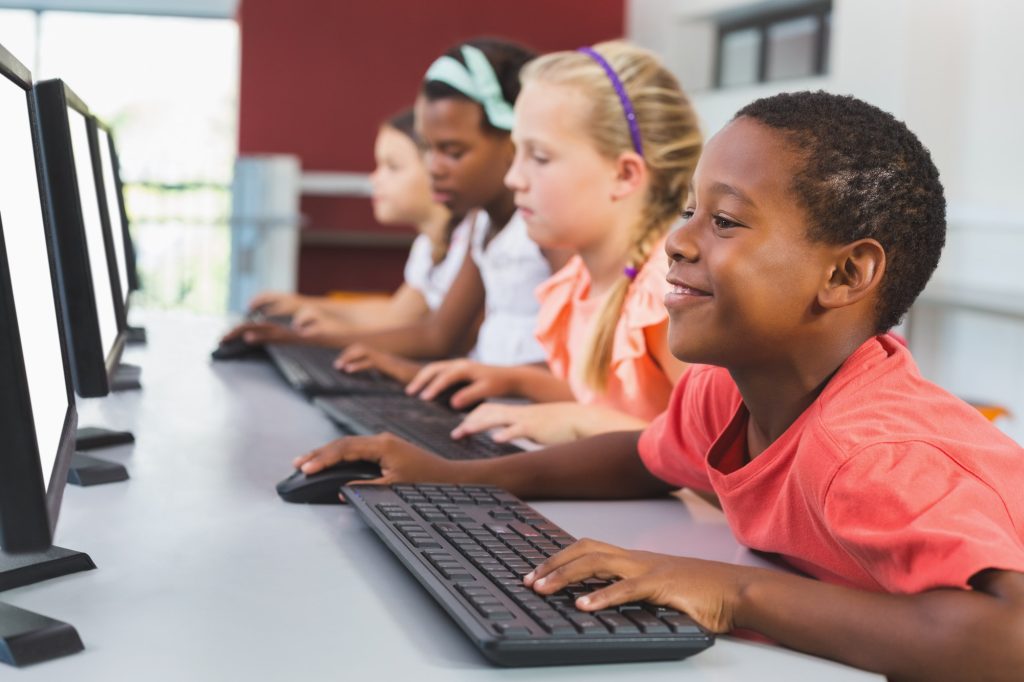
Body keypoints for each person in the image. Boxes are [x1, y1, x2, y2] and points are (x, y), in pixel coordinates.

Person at [293, 91, 1024, 680]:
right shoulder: (731, 393)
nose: (678, 241)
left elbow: (1007, 641)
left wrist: (729, 590)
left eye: (726, 221)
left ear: (844, 274)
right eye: (689, 213)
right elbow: (642, 456)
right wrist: (458, 476)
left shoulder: (869, 449)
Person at [399, 41, 702, 446]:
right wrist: (514, 380)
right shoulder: (581, 282)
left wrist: (581, 424)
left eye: (538, 157)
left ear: (625, 174)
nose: (514, 179)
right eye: (516, 154)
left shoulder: (664, 296)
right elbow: (606, 398)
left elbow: (711, 454)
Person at [238, 38, 566, 367]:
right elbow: (437, 335)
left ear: (514, 141)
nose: (434, 168)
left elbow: (576, 363)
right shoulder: (483, 223)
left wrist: (477, 377)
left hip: (522, 408)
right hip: (495, 402)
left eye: (453, 152)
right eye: (428, 148)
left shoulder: (548, 224)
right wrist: (302, 341)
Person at [223, 109, 470, 346]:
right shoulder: (428, 246)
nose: (375, 179)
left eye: (392, 167)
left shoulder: (469, 244)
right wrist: (302, 304)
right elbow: (398, 312)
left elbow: (430, 335)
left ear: (438, 171)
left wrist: (336, 333)